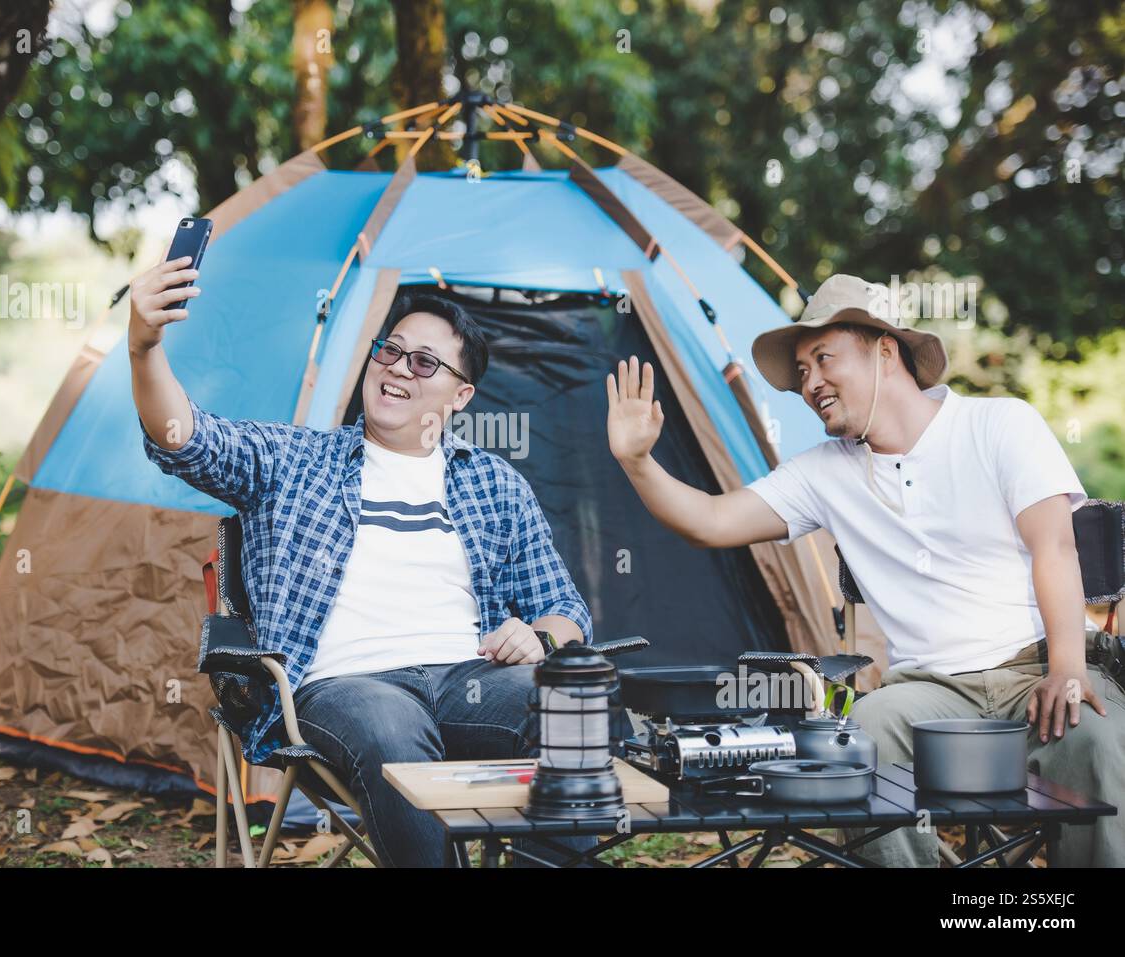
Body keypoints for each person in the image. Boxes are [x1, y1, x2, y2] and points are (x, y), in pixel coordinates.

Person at [606, 272, 1124, 867]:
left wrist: (1066, 667)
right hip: (929, 693)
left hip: (1034, 668)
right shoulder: (824, 472)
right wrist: (639, 462)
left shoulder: (999, 425)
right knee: (858, 739)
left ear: (885, 350)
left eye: (823, 359)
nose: (810, 383)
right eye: (801, 372)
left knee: (1097, 740)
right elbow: (713, 521)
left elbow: (1055, 548)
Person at [129, 256, 595, 867]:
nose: (399, 368)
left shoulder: (494, 484)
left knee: (574, 706)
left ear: (460, 395)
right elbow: (182, 437)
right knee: (391, 731)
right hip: (348, 689)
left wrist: (538, 638)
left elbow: (566, 611)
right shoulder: (295, 460)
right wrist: (143, 347)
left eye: (424, 362)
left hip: (468, 679)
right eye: (390, 351)